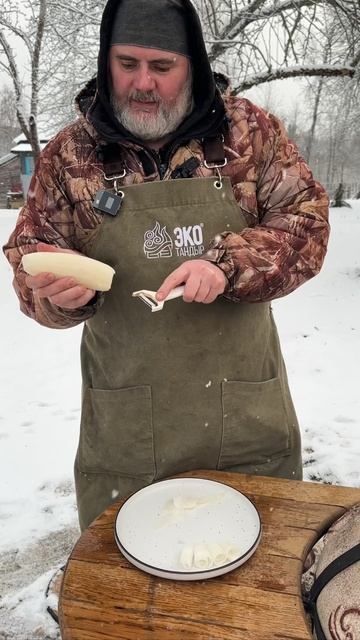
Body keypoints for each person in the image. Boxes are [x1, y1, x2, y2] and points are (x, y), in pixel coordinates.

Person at [3, 0, 330, 531]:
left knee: (258, 583)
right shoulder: (70, 154)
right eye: (127, 63)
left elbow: (308, 222)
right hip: (129, 435)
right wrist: (54, 296)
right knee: (133, 594)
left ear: (193, 65)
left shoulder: (250, 134)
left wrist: (228, 264)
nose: (142, 83)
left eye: (161, 67)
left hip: (245, 419)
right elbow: (29, 258)